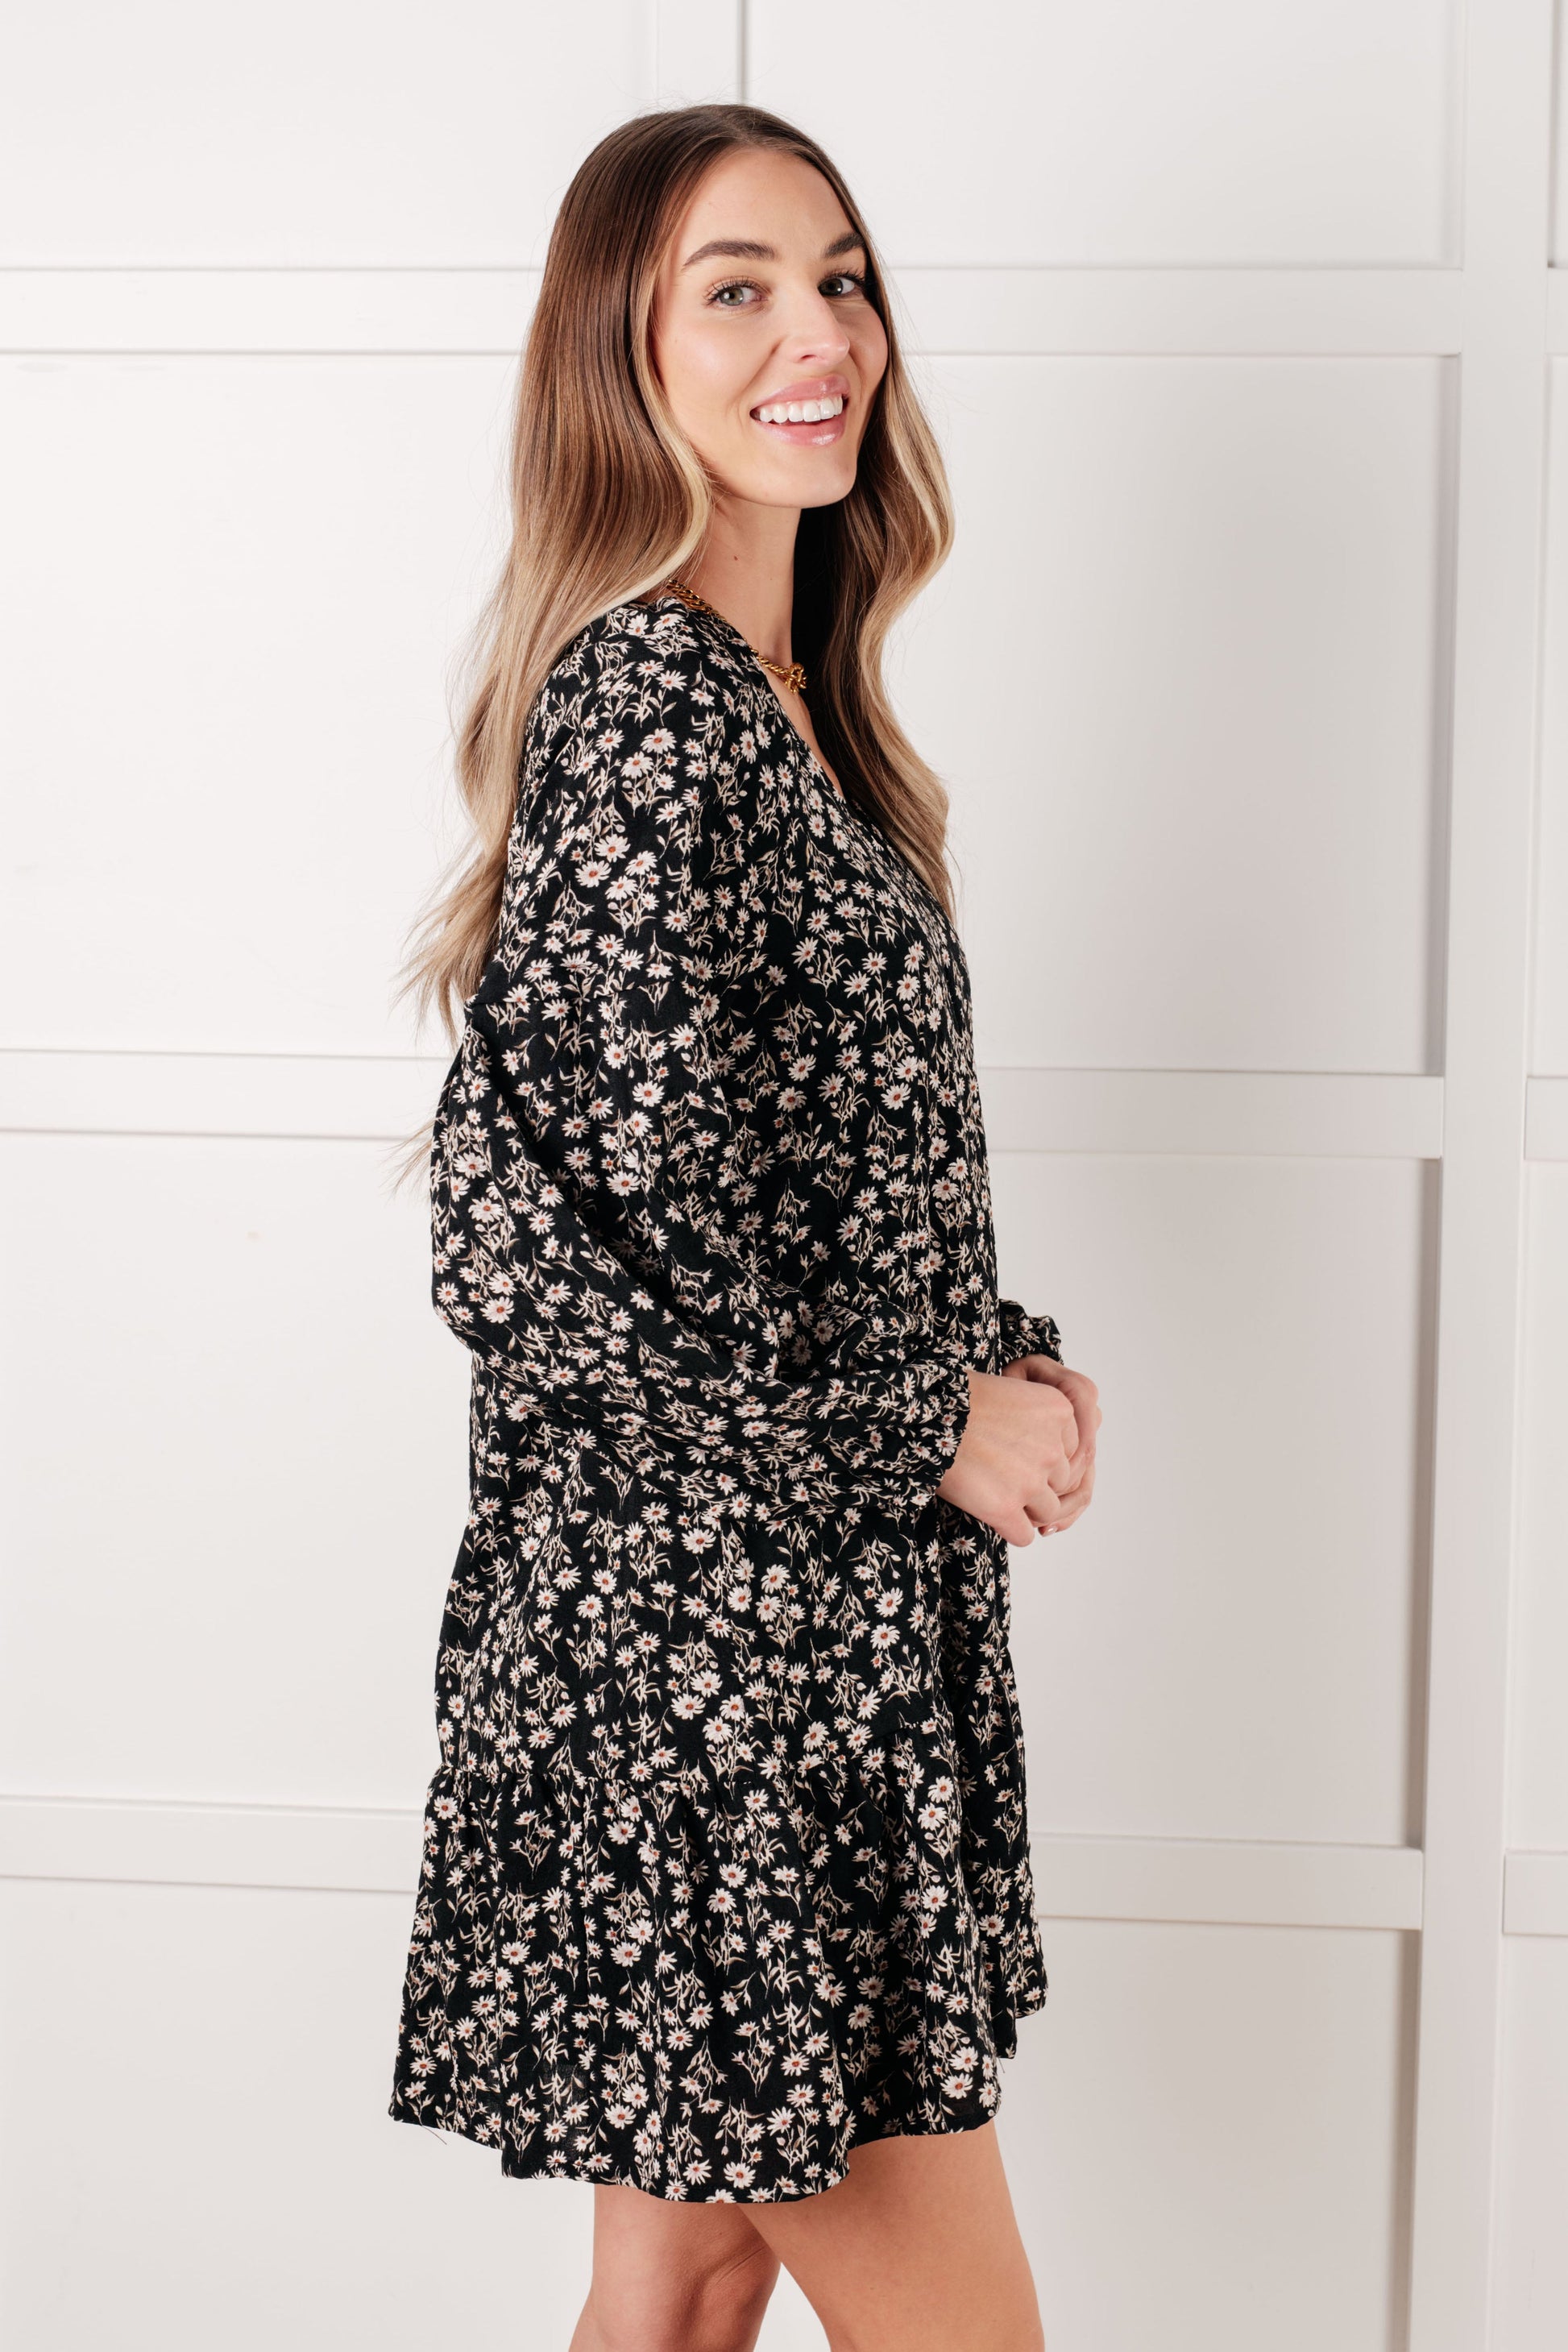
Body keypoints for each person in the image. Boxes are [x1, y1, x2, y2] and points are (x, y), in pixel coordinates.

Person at [387, 102, 1101, 2352]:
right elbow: (533, 1266)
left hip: (786, 1656)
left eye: (842, 276)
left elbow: (779, 1193)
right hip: (718, 1706)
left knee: (681, 2290)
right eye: (736, 288)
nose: (818, 335)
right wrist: (926, 1416)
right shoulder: (653, 712)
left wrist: (1001, 1362)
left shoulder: (797, 719)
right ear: (621, 351)